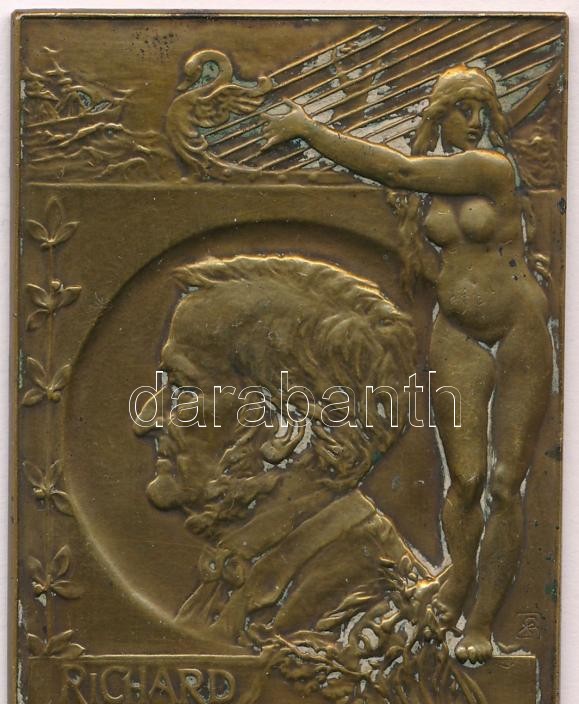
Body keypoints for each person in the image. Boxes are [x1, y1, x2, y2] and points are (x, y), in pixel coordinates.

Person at [261, 65, 553, 664]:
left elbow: (399, 170)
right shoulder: (438, 180)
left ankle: (481, 621)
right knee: (466, 479)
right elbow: (404, 195)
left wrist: (310, 131)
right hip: (457, 333)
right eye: (463, 109)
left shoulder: (492, 168)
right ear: (439, 113)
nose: (475, 122)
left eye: (483, 110)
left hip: (518, 332)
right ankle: (457, 578)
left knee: (505, 483)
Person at [133, 254, 430, 645]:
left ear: (286, 428)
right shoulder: (242, 567)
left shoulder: (374, 611)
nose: (146, 419)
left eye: (184, 390)